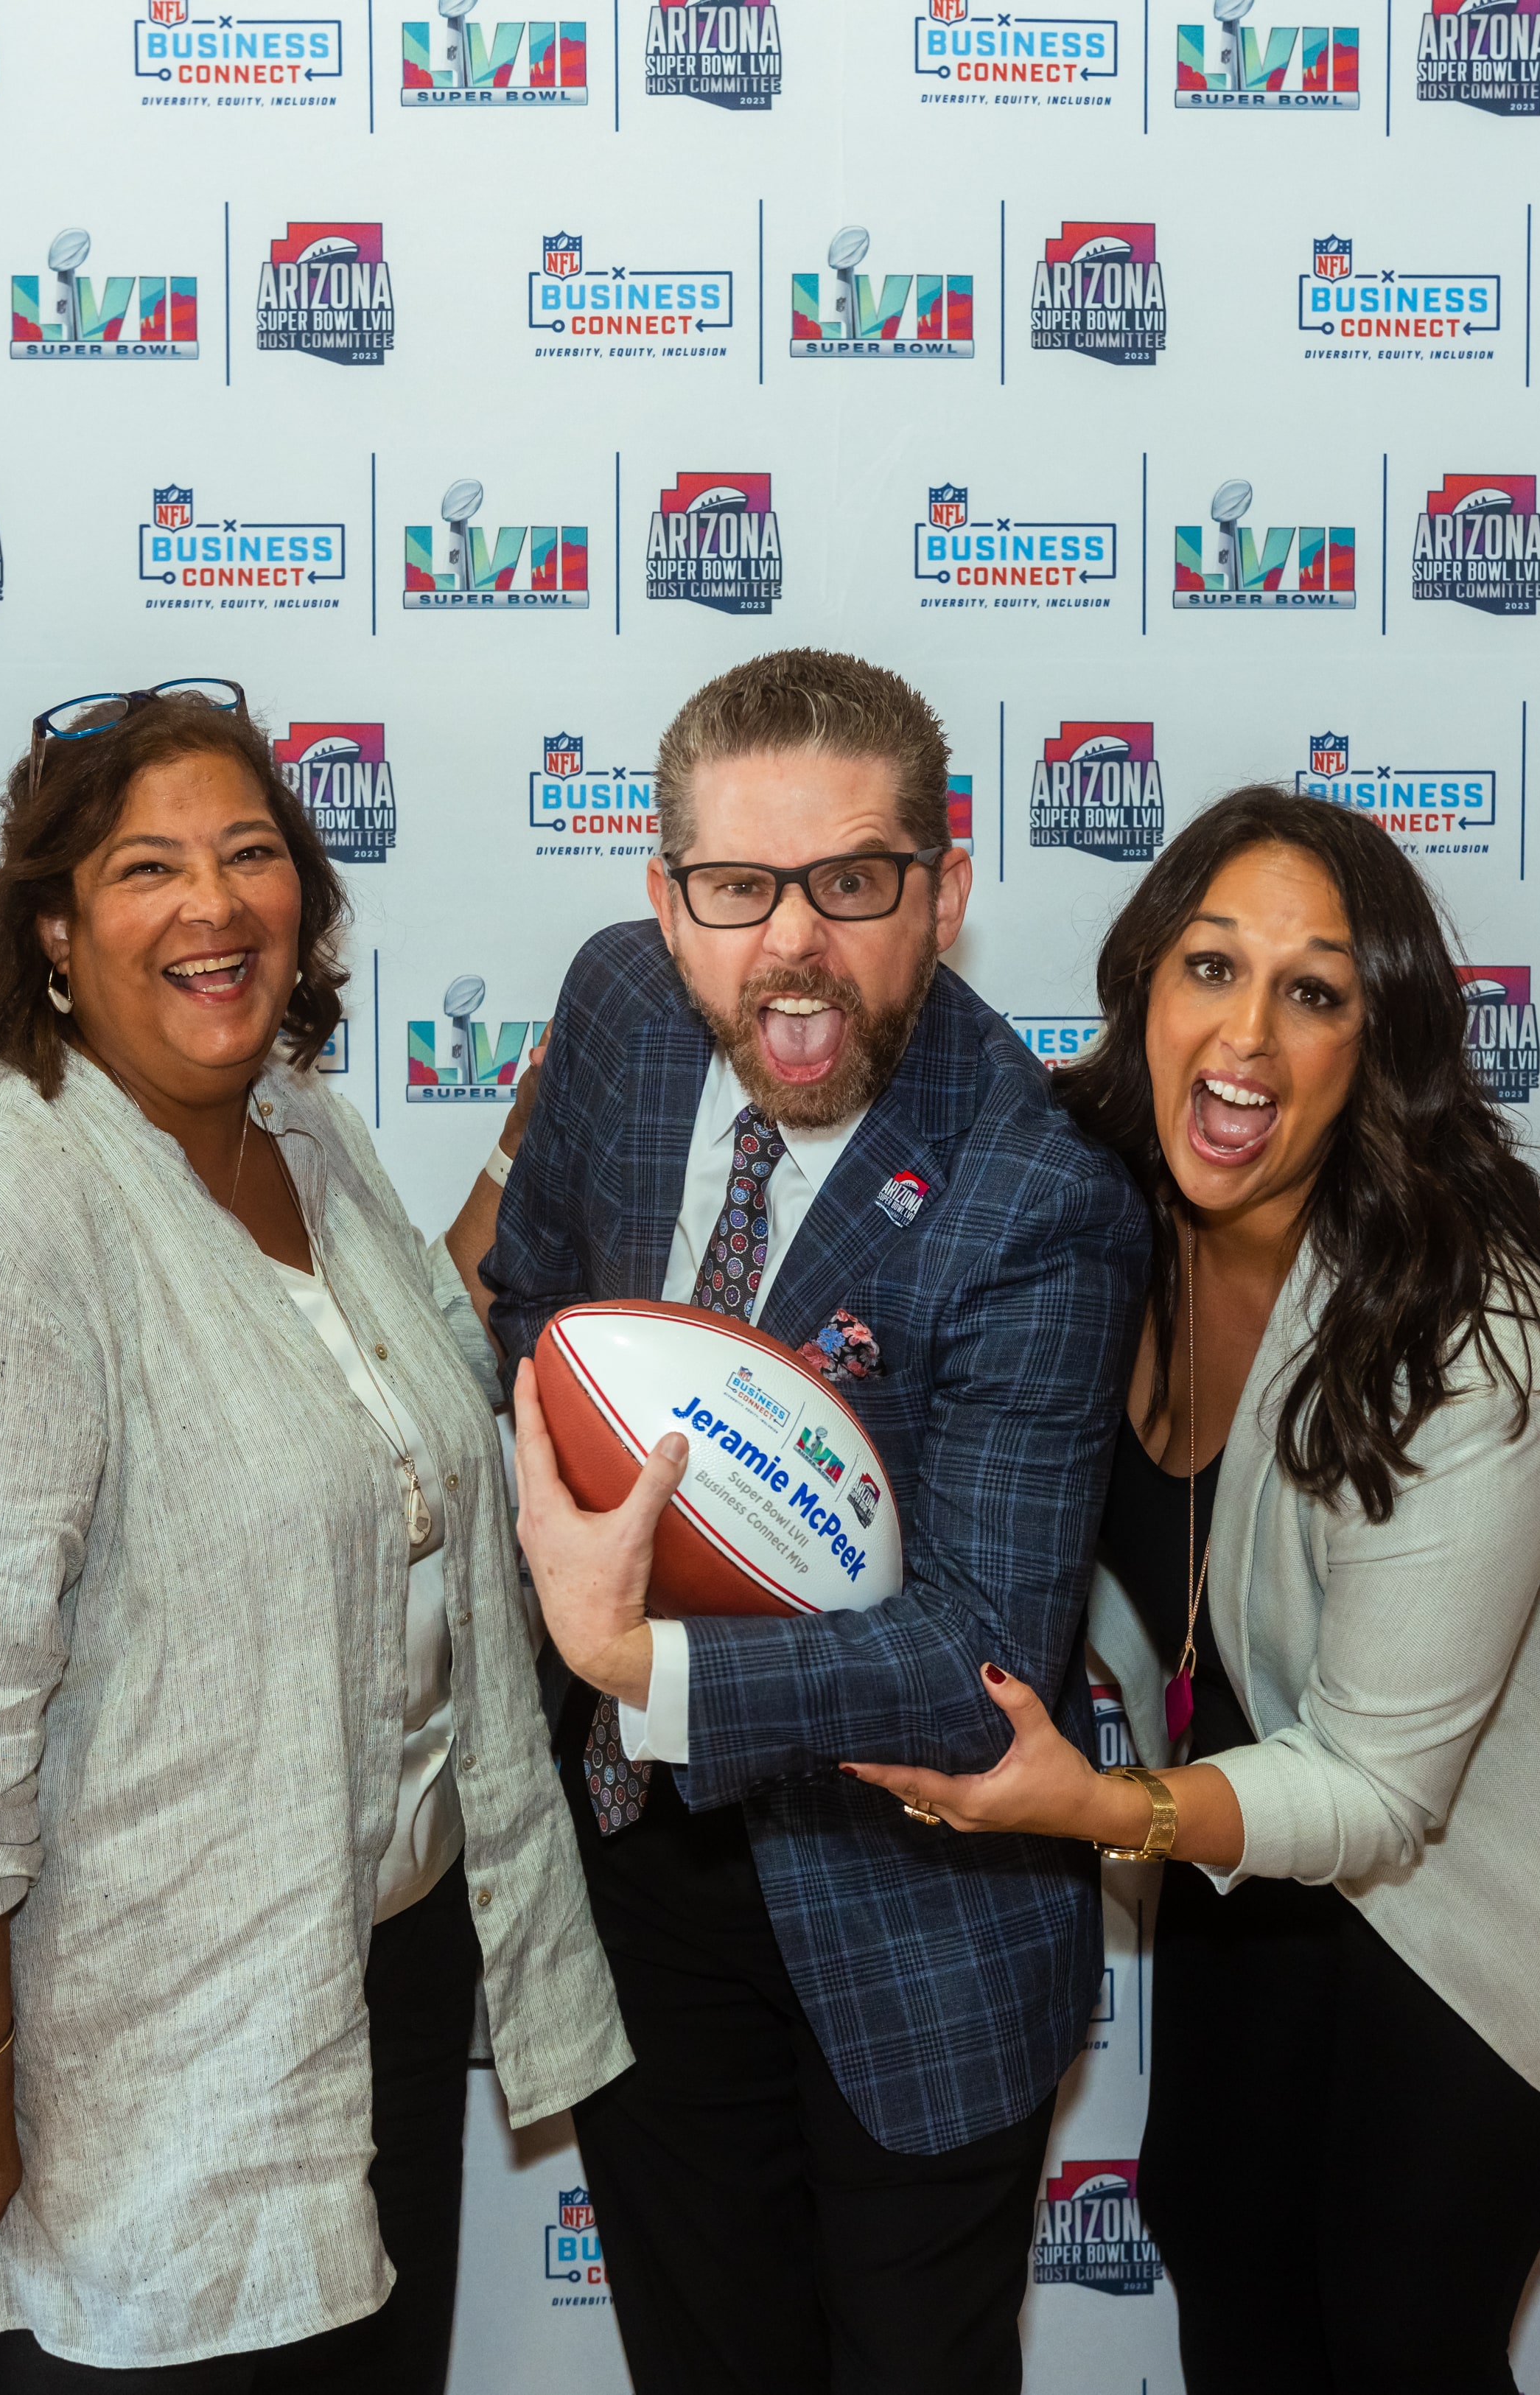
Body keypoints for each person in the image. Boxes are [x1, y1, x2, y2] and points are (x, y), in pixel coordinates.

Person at [0, 679, 626, 2394]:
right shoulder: (10, 1198)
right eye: (148, 868)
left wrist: (533, 1138)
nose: (214, 905)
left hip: (347, 1986)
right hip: (110, 2069)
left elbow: (377, 1388)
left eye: (248, 855)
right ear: (55, 931)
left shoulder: (300, 1127)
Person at [844, 788, 1540, 2394]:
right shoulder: (1082, 1204)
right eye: (1209, 966)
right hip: (1246, 1823)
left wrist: (1093, 1806)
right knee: (1222, 2251)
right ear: (1142, 988)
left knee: (1395, 2331)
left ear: (1374, 1043)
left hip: (1488, 1865)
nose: (1244, 1032)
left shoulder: (1467, 1330)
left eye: (1313, 991)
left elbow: (1382, 1789)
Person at [467, 648, 1144, 2395]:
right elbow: (531, 1307)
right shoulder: (616, 1011)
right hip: (639, 1870)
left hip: (909, 1910)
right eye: (735, 888)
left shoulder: (1032, 1197)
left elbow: (982, 1647)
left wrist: (638, 1654)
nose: (792, 945)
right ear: (663, 898)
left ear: (943, 889)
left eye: (851, 884)